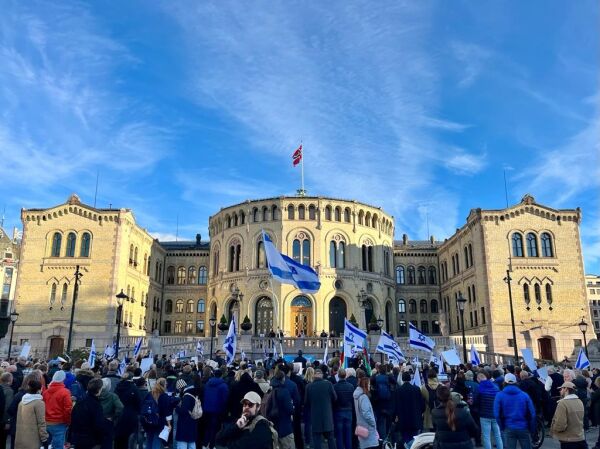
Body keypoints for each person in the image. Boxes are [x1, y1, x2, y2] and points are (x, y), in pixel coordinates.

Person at [494, 373, 536, 449]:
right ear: (516, 382)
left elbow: (496, 414)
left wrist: (502, 427)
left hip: (508, 426)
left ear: (504, 382)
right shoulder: (524, 395)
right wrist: (531, 428)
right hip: (523, 426)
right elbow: (533, 414)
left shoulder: (499, 395)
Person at [431, 385, 478, 449]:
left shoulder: (435, 412)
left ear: (438, 398)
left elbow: (435, 428)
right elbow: (474, 429)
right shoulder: (463, 411)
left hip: (443, 445)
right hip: (463, 444)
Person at [69, 378, 111, 449]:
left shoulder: (80, 402)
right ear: (99, 390)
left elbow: (73, 418)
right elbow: (98, 424)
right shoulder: (96, 405)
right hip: (90, 439)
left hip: (78, 437)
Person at [305, 368, 337, 449]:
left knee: (316, 439)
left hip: (315, 416)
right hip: (327, 415)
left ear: (314, 376)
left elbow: (306, 402)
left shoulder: (309, 386)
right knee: (330, 438)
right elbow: (335, 398)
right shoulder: (328, 384)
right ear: (322, 375)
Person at [42, 370, 72, 449]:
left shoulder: (45, 392)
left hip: (46, 422)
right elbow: (68, 409)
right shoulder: (65, 392)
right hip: (59, 423)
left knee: (46, 445)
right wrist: (68, 421)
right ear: (63, 379)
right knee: (58, 446)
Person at [551, 381, 586, 449]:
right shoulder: (579, 401)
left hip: (568, 439)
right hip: (580, 437)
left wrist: (555, 430)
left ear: (566, 389)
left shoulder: (562, 403)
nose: (560, 391)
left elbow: (560, 424)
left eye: (561, 389)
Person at [393, 371, 425, 446]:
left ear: (402, 379)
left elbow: (395, 406)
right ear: (410, 379)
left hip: (403, 421)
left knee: (405, 440)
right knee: (414, 441)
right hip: (415, 419)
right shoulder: (416, 389)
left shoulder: (398, 391)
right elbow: (422, 405)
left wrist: (395, 417)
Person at [14, 379, 48, 449]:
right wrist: (44, 439)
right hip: (33, 439)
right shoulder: (39, 403)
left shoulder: (22, 401)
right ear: (39, 390)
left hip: (20, 438)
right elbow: (41, 423)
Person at [473, 372, 503, 449]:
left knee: (486, 436)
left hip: (484, 415)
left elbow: (475, 401)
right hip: (495, 414)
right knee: (497, 435)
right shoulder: (495, 386)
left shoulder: (479, 388)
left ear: (478, 379)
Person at [353, 374, 378, 449]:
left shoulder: (357, 396)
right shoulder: (363, 397)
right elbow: (366, 413)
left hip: (361, 426)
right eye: (369, 384)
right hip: (368, 428)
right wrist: (373, 422)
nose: (370, 386)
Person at [333, 368, 354, 449]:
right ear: (345, 375)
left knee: (339, 434)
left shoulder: (335, 386)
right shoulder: (351, 386)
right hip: (349, 411)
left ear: (338, 376)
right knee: (348, 434)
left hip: (338, 412)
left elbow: (334, 400)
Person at [174, 382, 199, 449]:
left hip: (185, 424)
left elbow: (184, 411)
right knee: (191, 442)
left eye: (179, 389)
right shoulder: (193, 394)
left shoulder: (187, 396)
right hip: (192, 422)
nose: (179, 391)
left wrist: (177, 408)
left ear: (181, 388)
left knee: (182, 443)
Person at [0, 373, 13, 449]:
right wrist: (7, 421)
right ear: (10, 380)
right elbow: (8, 407)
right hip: (2, 421)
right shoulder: (9, 391)